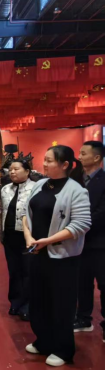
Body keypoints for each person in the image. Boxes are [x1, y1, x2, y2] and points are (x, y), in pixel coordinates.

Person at [23, 145, 91, 367]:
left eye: (50, 160)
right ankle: (44, 341)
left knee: (62, 304)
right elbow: (26, 213)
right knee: (38, 301)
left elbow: (81, 224)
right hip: (37, 253)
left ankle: (63, 349)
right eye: (44, 159)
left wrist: (47, 241)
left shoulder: (76, 190)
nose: (44, 164)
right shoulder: (40, 185)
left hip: (63, 258)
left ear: (65, 165)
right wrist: (29, 237)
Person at [75, 141, 105, 342]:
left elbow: (101, 213)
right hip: (79, 242)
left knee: (103, 284)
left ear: (96, 157)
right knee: (82, 283)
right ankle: (84, 318)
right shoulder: (76, 179)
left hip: (100, 242)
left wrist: (78, 226)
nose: (79, 157)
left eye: (83, 153)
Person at [0, 158, 36, 321]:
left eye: (16, 169)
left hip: (27, 237)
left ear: (27, 171)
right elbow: (2, 211)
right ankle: (15, 302)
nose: (12, 172)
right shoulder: (5, 189)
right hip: (9, 236)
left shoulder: (35, 188)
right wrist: (0, 234)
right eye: (10, 170)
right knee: (14, 271)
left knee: (28, 271)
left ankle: (28, 304)